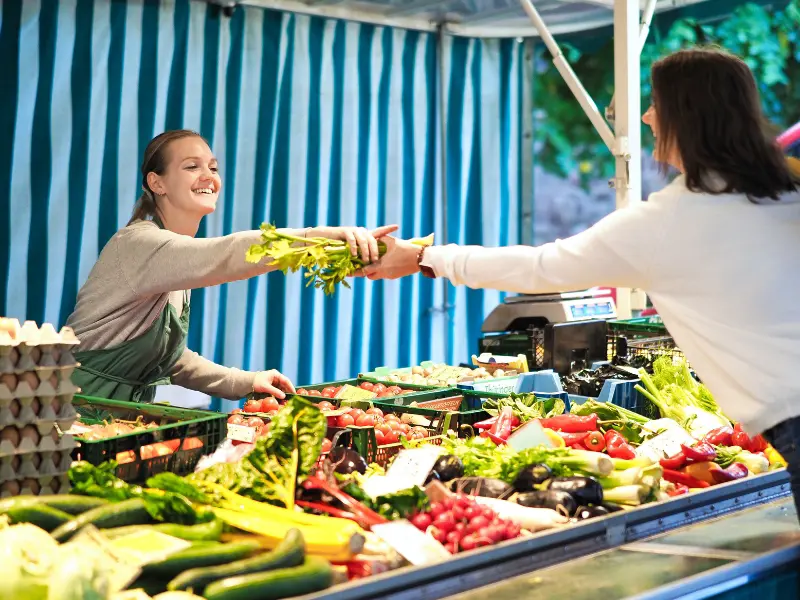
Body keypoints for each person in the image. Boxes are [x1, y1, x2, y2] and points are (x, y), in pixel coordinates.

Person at [364, 48, 800, 513]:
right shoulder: (784, 193)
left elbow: (540, 267)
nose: (649, 116)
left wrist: (425, 257)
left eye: (656, 104)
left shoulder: (674, 220)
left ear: (687, 117)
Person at [67, 129, 396, 403]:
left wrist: (247, 381)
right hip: (74, 417)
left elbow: (171, 360)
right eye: (192, 166)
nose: (208, 176)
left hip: (117, 422)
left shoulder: (176, 257)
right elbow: (226, 253)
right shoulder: (138, 244)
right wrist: (316, 240)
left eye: (213, 167)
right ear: (157, 183)